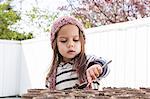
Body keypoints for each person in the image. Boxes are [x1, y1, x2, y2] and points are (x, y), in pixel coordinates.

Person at [46, 16, 110, 90]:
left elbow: (105, 65)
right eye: (63, 40)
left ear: (82, 41)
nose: (71, 44)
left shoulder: (88, 61)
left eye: (75, 40)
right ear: (55, 44)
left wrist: (96, 67)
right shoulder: (51, 77)